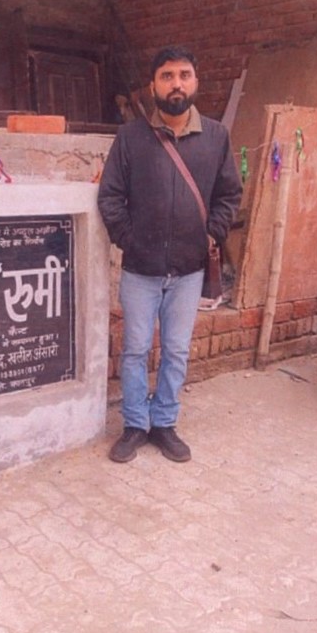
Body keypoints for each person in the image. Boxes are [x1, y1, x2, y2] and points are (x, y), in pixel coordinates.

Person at [97, 45, 242, 463]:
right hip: (140, 269)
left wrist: (210, 235)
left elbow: (229, 195)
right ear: (153, 85)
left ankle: (164, 423)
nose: (176, 83)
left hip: (189, 270)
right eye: (167, 76)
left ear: (195, 82)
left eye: (183, 75)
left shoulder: (215, 136)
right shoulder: (131, 137)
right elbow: (110, 196)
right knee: (135, 349)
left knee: (176, 351)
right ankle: (134, 425)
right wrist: (129, 239)